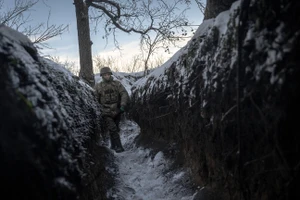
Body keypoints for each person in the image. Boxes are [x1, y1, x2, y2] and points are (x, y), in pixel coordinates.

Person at [94, 67, 130, 153]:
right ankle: (119, 147)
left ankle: (113, 146)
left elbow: (124, 94)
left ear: (110, 74)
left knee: (115, 129)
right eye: (105, 75)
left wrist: (122, 105)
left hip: (117, 111)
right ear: (102, 76)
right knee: (112, 128)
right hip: (106, 112)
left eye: (108, 74)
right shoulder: (98, 87)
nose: (107, 76)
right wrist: (99, 110)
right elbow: (95, 99)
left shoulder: (117, 84)